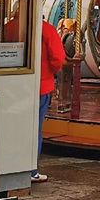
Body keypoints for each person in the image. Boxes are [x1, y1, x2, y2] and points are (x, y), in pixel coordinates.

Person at [32, 17, 66, 183]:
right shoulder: (46, 29)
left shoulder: (10, 26)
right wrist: (50, 72)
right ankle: (31, 169)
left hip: (14, 85)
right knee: (35, 128)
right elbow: (58, 57)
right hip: (41, 84)